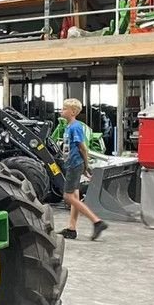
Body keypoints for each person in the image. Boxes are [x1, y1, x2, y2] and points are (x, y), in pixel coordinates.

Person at [59, 98, 107, 241]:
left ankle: (97, 222)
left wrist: (86, 166)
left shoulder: (76, 127)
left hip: (75, 164)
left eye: (64, 108)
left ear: (73, 112)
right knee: (75, 196)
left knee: (67, 197)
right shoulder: (68, 127)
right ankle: (71, 229)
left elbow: (82, 147)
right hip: (71, 164)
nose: (61, 110)